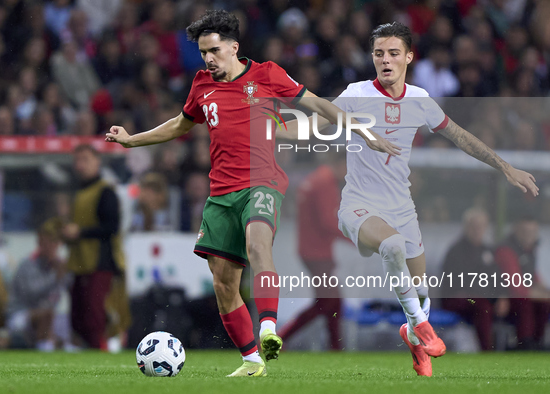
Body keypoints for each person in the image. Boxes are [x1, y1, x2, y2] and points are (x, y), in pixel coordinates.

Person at [106, 10, 398, 377]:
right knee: (223, 282)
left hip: (262, 182)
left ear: (234, 47)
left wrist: (363, 132)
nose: (209, 59)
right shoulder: (201, 85)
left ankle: (269, 329)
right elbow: (180, 124)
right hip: (220, 192)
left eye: (214, 50)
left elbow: (318, 105)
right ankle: (250, 361)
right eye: (202, 53)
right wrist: (133, 140)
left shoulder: (267, 75)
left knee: (258, 245)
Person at [279, 22, 538, 376]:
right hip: (359, 205)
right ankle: (420, 325)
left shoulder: (419, 101)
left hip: (402, 208)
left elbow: (461, 137)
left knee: (421, 289)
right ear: (372, 58)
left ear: (409, 57)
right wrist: (274, 131)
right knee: (393, 247)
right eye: (379, 54)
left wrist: (505, 166)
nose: (386, 60)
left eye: (393, 53)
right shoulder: (356, 93)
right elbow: (315, 124)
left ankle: (414, 338)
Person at [277, 154, 347, 350]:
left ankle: (336, 346)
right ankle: (279, 339)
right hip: (318, 253)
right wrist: (355, 239)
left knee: (333, 301)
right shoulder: (325, 183)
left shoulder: (316, 179)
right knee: (327, 301)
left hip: (312, 250)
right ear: (341, 163)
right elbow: (328, 221)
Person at [62, 144, 127, 349]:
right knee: (78, 317)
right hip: (80, 262)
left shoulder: (105, 191)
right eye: (77, 160)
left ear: (97, 162)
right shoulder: (79, 192)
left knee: (95, 316)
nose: (80, 165)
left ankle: (102, 351)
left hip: (101, 262)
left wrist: (80, 232)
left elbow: (111, 227)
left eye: (85, 160)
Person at [440, 208, 509, 351]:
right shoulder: (455, 251)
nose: (478, 230)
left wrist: (502, 296)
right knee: (482, 306)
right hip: (457, 298)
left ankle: (523, 349)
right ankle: (486, 351)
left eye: (481, 226)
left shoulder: (488, 251)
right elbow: (454, 282)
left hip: (481, 298)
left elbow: (497, 278)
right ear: (466, 227)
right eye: (474, 226)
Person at [6, 219, 69, 351]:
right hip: (20, 315)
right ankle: (45, 350)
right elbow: (32, 294)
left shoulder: (57, 266)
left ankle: (55, 346)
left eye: (55, 243)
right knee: (46, 315)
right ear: (40, 243)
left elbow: (68, 290)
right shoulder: (27, 265)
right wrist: (56, 278)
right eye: (48, 243)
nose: (52, 247)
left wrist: (66, 274)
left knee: (69, 321)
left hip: (48, 316)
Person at [495, 217, 550, 350]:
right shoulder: (506, 251)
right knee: (525, 302)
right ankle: (526, 344)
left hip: (521, 296)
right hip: (503, 299)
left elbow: (534, 278)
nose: (529, 236)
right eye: (525, 231)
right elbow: (516, 287)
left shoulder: (530, 250)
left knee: (544, 304)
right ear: (516, 230)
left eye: (532, 232)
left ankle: (538, 343)